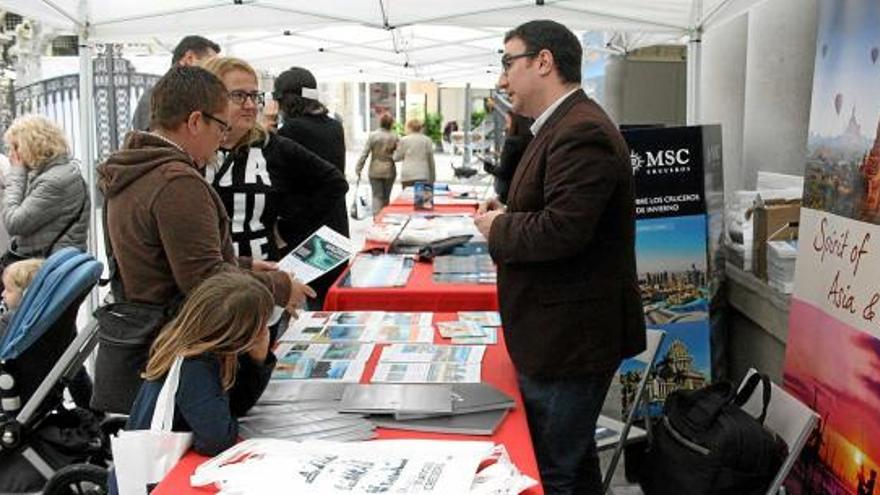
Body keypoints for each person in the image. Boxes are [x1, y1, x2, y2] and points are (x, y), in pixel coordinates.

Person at [474, 20, 646, 495]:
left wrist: (500, 226)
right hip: (561, 334)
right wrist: (509, 211)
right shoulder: (558, 125)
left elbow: (563, 229)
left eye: (508, 63)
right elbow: (558, 211)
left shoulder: (580, 130)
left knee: (556, 470)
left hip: (570, 340)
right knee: (570, 460)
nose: (503, 79)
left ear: (544, 61)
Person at [95, 66, 313, 411]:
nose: (222, 140)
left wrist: (244, 264)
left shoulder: (135, 169)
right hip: (177, 355)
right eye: (220, 127)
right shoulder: (176, 182)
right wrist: (281, 286)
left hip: (148, 345)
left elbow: (170, 257)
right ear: (195, 121)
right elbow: (205, 281)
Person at [107, 272, 276, 495]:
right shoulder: (197, 366)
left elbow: (235, 406)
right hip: (153, 479)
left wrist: (257, 361)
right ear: (239, 333)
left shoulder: (186, 341)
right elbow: (215, 440)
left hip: (146, 467)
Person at [201, 58, 347, 303]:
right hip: (210, 287)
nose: (250, 105)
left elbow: (335, 182)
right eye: (238, 95)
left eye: (255, 96)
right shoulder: (195, 150)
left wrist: (287, 228)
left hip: (265, 283)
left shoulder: (274, 146)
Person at [273, 66, 350, 307]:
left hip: (306, 234)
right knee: (327, 302)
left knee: (309, 304)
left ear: (287, 99)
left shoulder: (290, 132)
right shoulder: (334, 126)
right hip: (335, 228)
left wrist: (286, 225)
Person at [2, 115, 89, 266]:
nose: (11, 155)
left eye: (15, 148)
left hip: (46, 266)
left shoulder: (54, 181)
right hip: (47, 260)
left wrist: (16, 173)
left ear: (30, 145)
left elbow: (14, 223)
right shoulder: (55, 172)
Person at [131, 35, 220, 131]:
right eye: (211, 63)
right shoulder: (159, 96)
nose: (215, 71)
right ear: (190, 58)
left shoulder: (189, 95)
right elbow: (150, 141)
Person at [481, 112, 533, 203]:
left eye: (508, 122)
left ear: (515, 123)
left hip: (509, 191)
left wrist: (488, 167)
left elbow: (504, 172)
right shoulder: (532, 140)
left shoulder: (511, 142)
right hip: (526, 190)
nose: (506, 126)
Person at [356, 113, 398, 217]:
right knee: (386, 197)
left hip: (374, 170)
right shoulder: (395, 136)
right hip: (389, 170)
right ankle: (384, 218)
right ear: (391, 123)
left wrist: (359, 167)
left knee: (376, 196)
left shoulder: (373, 135)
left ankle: (376, 218)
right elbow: (398, 154)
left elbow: (365, 153)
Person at [0, 258, 42, 339]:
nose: (3, 294)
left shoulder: (9, 321)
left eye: (8, 290)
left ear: (26, 294)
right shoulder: (7, 306)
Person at [394, 119, 436, 189]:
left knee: (407, 198)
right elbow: (431, 160)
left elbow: (396, 157)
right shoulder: (427, 140)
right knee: (421, 199)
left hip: (407, 175)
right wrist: (432, 178)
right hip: (423, 175)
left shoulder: (404, 140)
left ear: (409, 127)